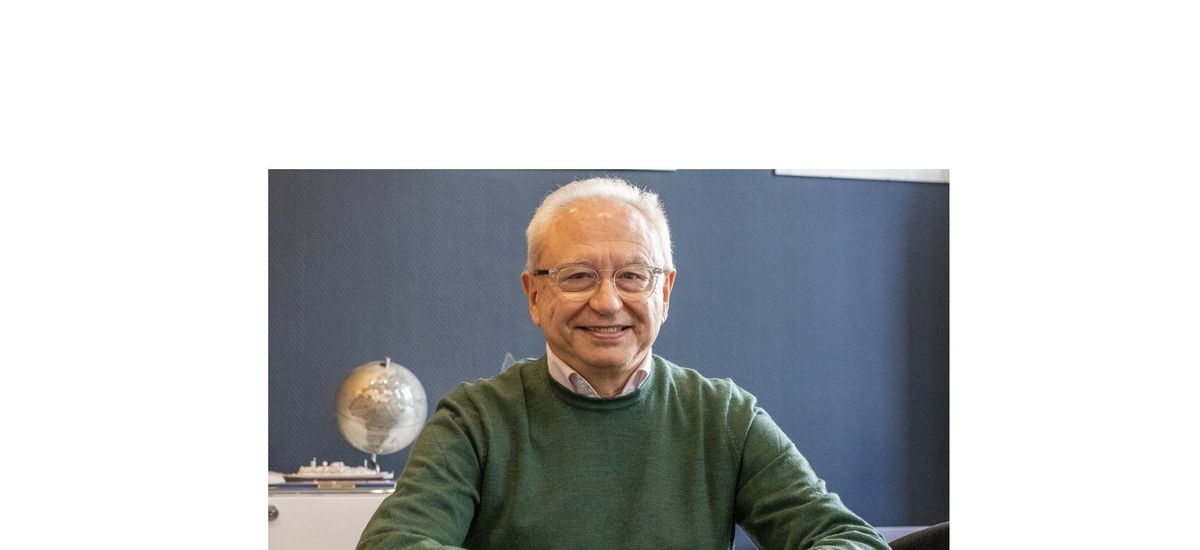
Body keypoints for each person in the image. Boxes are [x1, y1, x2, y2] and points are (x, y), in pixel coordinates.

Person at [357, 177, 889, 550]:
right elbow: (395, 542)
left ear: (665, 292)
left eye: (633, 276)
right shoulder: (474, 421)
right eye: (578, 276)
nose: (608, 302)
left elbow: (848, 538)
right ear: (534, 295)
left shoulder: (725, 417)